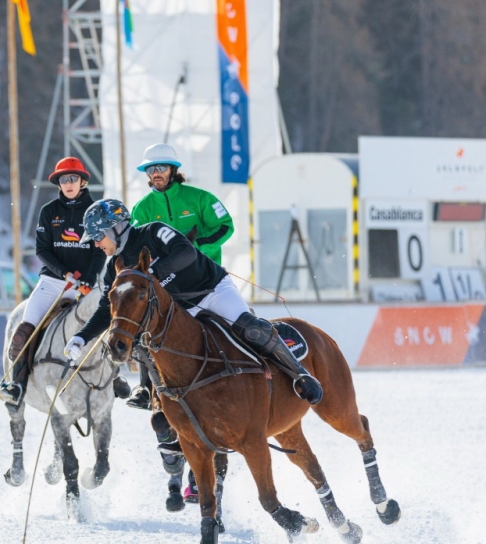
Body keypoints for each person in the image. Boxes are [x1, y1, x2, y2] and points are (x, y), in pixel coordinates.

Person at [62, 200, 323, 506]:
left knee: (252, 329)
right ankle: (154, 396)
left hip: (212, 291)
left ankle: (300, 376)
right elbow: (109, 308)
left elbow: (185, 252)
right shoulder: (113, 269)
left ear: (115, 229)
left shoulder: (154, 231)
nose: (96, 244)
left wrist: (153, 274)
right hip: (181, 310)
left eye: (97, 236)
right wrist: (81, 337)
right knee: (152, 345)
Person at [126, 143, 234, 409]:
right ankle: (145, 387)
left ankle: (266, 369)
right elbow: (139, 249)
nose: (156, 173)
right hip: (169, 289)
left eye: (161, 167)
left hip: (206, 283)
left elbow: (225, 226)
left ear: (174, 170)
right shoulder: (141, 209)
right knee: (144, 332)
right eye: (151, 169)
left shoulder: (200, 197)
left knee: (239, 326)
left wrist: (195, 250)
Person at [0, 157, 108, 405]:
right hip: (53, 283)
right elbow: (42, 250)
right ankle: (17, 385)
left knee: (110, 326)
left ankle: (116, 378)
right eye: (63, 179)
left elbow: (99, 249)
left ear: (83, 181)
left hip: (86, 285)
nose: (68, 184)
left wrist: (88, 279)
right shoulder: (49, 211)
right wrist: (64, 274)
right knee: (22, 331)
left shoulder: (95, 210)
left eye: (72, 179)